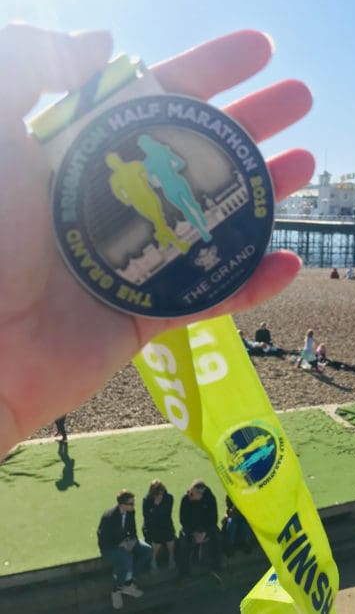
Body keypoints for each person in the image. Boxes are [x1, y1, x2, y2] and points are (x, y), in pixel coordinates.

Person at [0, 24, 314, 457]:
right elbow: (132, 189)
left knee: (180, 212)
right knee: (172, 216)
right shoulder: (128, 169)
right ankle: (192, 232)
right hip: (154, 203)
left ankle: (194, 230)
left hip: (162, 197)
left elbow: (156, 173)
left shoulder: (145, 160)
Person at [97, 489, 151, 609]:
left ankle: (129, 582)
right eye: (131, 503)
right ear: (122, 504)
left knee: (146, 550)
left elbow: (132, 530)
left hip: (125, 542)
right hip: (110, 548)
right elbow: (104, 539)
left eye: (133, 503)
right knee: (126, 557)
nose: (133, 506)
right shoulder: (109, 517)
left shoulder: (130, 512)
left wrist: (131, 540)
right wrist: (120, 544)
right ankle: (117, 590)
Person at [176, 480, 221, 576]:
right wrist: (194, 532)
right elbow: (183, 519)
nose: (191, 496)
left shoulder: (210, 498)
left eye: (194, 494)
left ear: (201, 493)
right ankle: (184, 573)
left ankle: (216, 567)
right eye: (191, 493)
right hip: (191, 527)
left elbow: (213, 518)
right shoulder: (185, 499)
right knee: (183, 539)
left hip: (206, 526)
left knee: (217, 537)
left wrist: (204, 532)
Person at [142, 480, 176, 571]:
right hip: (151, 525)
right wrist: (156, 506)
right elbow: (148, 517)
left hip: (165, 523)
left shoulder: (169, 498)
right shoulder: (147, 500)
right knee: (157, 539)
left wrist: (158, 508)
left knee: (170, 537)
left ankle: (171, 557)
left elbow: (167, 514)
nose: (159, 496)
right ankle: (153, 560)